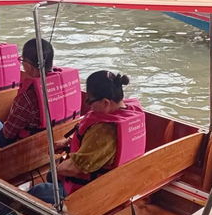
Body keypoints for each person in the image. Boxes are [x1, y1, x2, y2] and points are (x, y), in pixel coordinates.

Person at [28, 70, 146, 204]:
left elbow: (72, 168)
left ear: (105, 102)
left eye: (90, 101)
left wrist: (57, 169)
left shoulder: (106, 132)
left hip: (91, 192)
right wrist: (68, 142)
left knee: (38, 190)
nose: (89, 105)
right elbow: (92, 144)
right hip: (112, 181)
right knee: (51, 175)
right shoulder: (126, 112)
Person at [0, 38, 80, 161]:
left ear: (28, 66)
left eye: (22, 61)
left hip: (26, 150)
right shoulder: (67, 86)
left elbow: (8, 134)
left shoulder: (27, 98)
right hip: (56, 143)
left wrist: (7, 121)